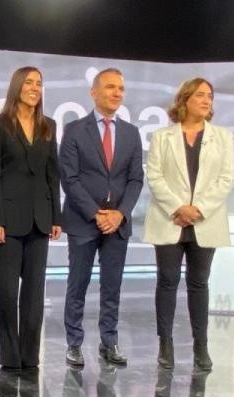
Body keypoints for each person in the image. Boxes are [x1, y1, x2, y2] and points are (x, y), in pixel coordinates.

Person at [143, 77, 234, 371]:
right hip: (170, 219)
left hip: (203, 221)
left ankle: (201, 346)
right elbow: (154, 176)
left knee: (199, 283)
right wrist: (178, 208)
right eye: (200, 95)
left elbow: (225, 179)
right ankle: (165, 344)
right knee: (167, 281)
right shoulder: (162, 137)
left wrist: (198, 210)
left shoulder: (223, 137)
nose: (207, 100)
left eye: (210, 96)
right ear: (185, 100)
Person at [59, 68, 144, 368]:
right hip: (83, 221)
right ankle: (74, 343)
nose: (117, 93)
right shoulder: (74, 130)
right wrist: (96, 214)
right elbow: (69, 178)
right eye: (110, 87)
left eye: (120, 88)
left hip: (117, 225)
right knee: (77, 285)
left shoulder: (131, 133)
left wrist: (120, 214)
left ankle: (109, 342)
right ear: (93, 92)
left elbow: (135, 179)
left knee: (112, 287)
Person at [0, 66, 62, 372]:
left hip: (40, 220)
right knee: (7, 292)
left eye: (39, 83)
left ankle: (30, 357)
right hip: (8, 221)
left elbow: (52, 173)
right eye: (29, 82)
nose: (34, 88)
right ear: (17, 86)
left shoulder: (48, 125)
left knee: (34, 294)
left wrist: (56, 216)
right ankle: (10, 356)